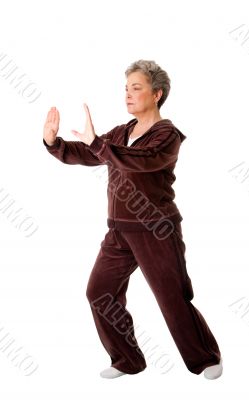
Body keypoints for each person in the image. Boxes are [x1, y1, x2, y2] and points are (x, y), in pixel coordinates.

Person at [42, 59, 223, 380]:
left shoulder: (168, 135)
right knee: (99, 292)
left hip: (156, 229)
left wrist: (98, 143)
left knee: (171, 297)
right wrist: (53, 143)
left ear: (157, 94)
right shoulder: (122, 131)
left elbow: (143, 160)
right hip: (119, 229)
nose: (127, 94)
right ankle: (127, 360)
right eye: (125, 88)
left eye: (136, 88)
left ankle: (205, 358)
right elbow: (89, 153)